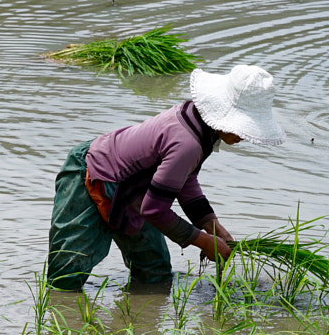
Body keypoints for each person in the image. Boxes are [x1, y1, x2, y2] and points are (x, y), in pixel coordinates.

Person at [47, 64, 284, 292]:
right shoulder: (188, 142)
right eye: (243, 127)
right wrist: (202, 241)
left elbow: (186, 180)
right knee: (66, 277)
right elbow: (154, 211)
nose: (244, 135)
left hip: (134, 190)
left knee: (155, 273)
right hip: (92, 174)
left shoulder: (200, 126)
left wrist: (212, 225)